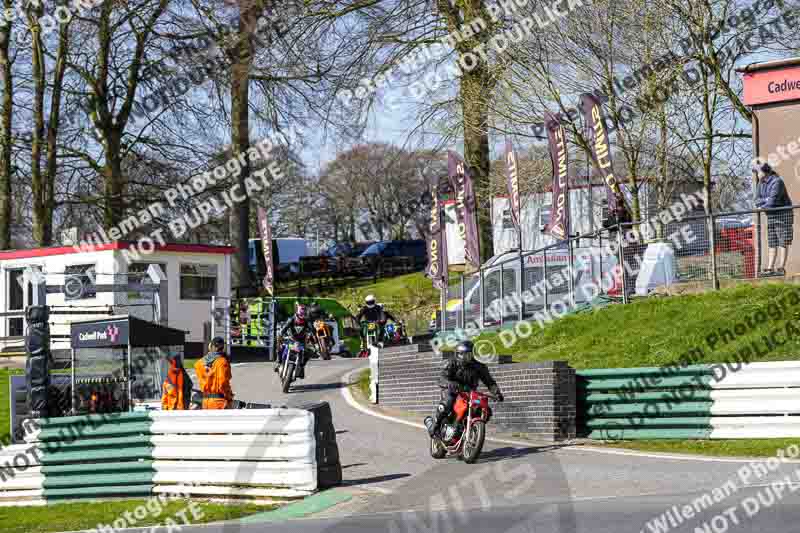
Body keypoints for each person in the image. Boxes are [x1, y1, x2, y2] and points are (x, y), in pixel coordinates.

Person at [425, 340, 504, 437]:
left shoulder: (479, 366)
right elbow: (442, 378)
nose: (469, 357)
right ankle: (436, 426)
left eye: (471, 354)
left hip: (469, 393)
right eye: (466, 354)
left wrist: (497, 393)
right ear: (459, 354)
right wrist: (450, 383)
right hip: (453, 390)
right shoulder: (452, 363)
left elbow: (489, 381)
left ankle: (471, 429)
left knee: (486, 410)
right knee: (448, 402)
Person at [754, 160, 794, 275]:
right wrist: (764, 201)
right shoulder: (761, 183)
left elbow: (772, 201)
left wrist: (764, 203)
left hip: (783, 215)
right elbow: (756, 200)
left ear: (764, 172)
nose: (757, 174)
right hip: (771, 216)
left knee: (783, 241)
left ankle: (781, 267)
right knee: (772, 241)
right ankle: (770, 268)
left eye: (758, 171)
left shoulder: (777, 181)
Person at [275, 303, 314, 378]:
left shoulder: (307, 321)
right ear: (297, 311)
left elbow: (312, 330)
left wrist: (312, 336)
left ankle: (301, 367)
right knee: (281, 347)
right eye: (301, 310)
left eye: (303, 310)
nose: (302, 312)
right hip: (291, 339)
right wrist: (280, 334)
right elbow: (284, 328)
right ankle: (278, 362)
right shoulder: (291, 319)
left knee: (307, 353)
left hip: (302, 341)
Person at [194, 336, 234, 409]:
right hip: (219, 402)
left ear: (210, 346)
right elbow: (223, 383)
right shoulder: (222, 362)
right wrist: (229, 397)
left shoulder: (199, 363)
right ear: (222, 348)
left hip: (205, 401)